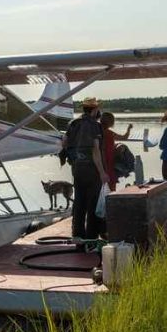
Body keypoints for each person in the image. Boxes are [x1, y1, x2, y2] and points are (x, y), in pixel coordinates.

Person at [62, 97, 108, 239]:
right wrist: (102, 173)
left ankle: (77, 236)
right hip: (91, 170)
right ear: (94, 110)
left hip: (77, 168)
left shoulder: (73, 123)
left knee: (79, 202)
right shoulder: (94, 125)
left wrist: (73, 157)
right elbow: (95, 150)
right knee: (93, 204)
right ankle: (91, 238)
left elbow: (64, 142)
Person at [100, 112, 132, 192]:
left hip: (99, 161)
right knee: (111, 185)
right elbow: (124, 137)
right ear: (111, 122)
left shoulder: (96, 132)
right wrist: (128, 129)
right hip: (109, 161)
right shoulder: (110, 133)